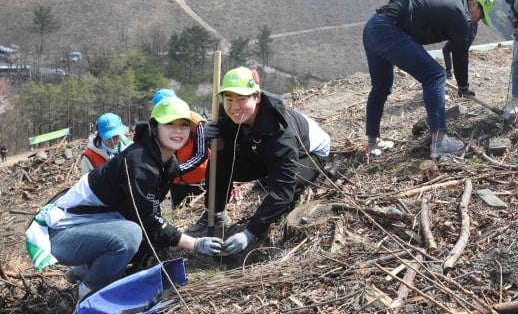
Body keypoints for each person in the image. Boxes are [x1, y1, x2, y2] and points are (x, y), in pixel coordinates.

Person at [26, 97, 223, 300]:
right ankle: (89, 289)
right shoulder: (140, 163)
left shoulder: (164, 161)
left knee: (148, 243)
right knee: (130, 234)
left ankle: (82, 270)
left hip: (88, 228)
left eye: (183, 125)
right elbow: (147, 221)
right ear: (155, 127)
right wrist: (196, 244)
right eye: (169, 124)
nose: (178, 131)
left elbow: (151, 214)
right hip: (60, 234)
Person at [190, 67, 331, 255]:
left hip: (310, 153)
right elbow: (227, 150)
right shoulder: (226, 113)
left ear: (257, 96)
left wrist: (250, 233)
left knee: (287, 185)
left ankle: (267, 219)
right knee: (220, 157)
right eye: (229, 99)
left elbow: (283, 189)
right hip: (263, 149)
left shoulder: (281, 132)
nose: (234, 106)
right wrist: (213, 140)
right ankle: (215, 213)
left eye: (242, 99)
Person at [363, 0, 495, 158]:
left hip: (373, 27)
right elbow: (460, 53)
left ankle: (372, 143)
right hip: (388, 29)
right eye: (482, 15)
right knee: (435, 75)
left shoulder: (453, 3)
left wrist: (463, 84)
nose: (478, 21)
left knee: (380, 87)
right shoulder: (461, 14)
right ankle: (440, 142)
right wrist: (463, 86)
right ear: (474, 3)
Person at [151, 88, 208, 209]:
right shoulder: (156, 125)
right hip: (176, 182)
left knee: (196, 216)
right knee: (178, 214)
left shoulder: (197, 123)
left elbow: (202, 154)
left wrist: (176, 170)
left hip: (198, 180)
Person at [442, 0, 479, 79]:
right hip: (465, 34)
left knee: (452, 53)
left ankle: (453, 74)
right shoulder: (472, 2)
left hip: (464, 35)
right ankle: (453, 74)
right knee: (457, 54)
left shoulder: (465, 0)